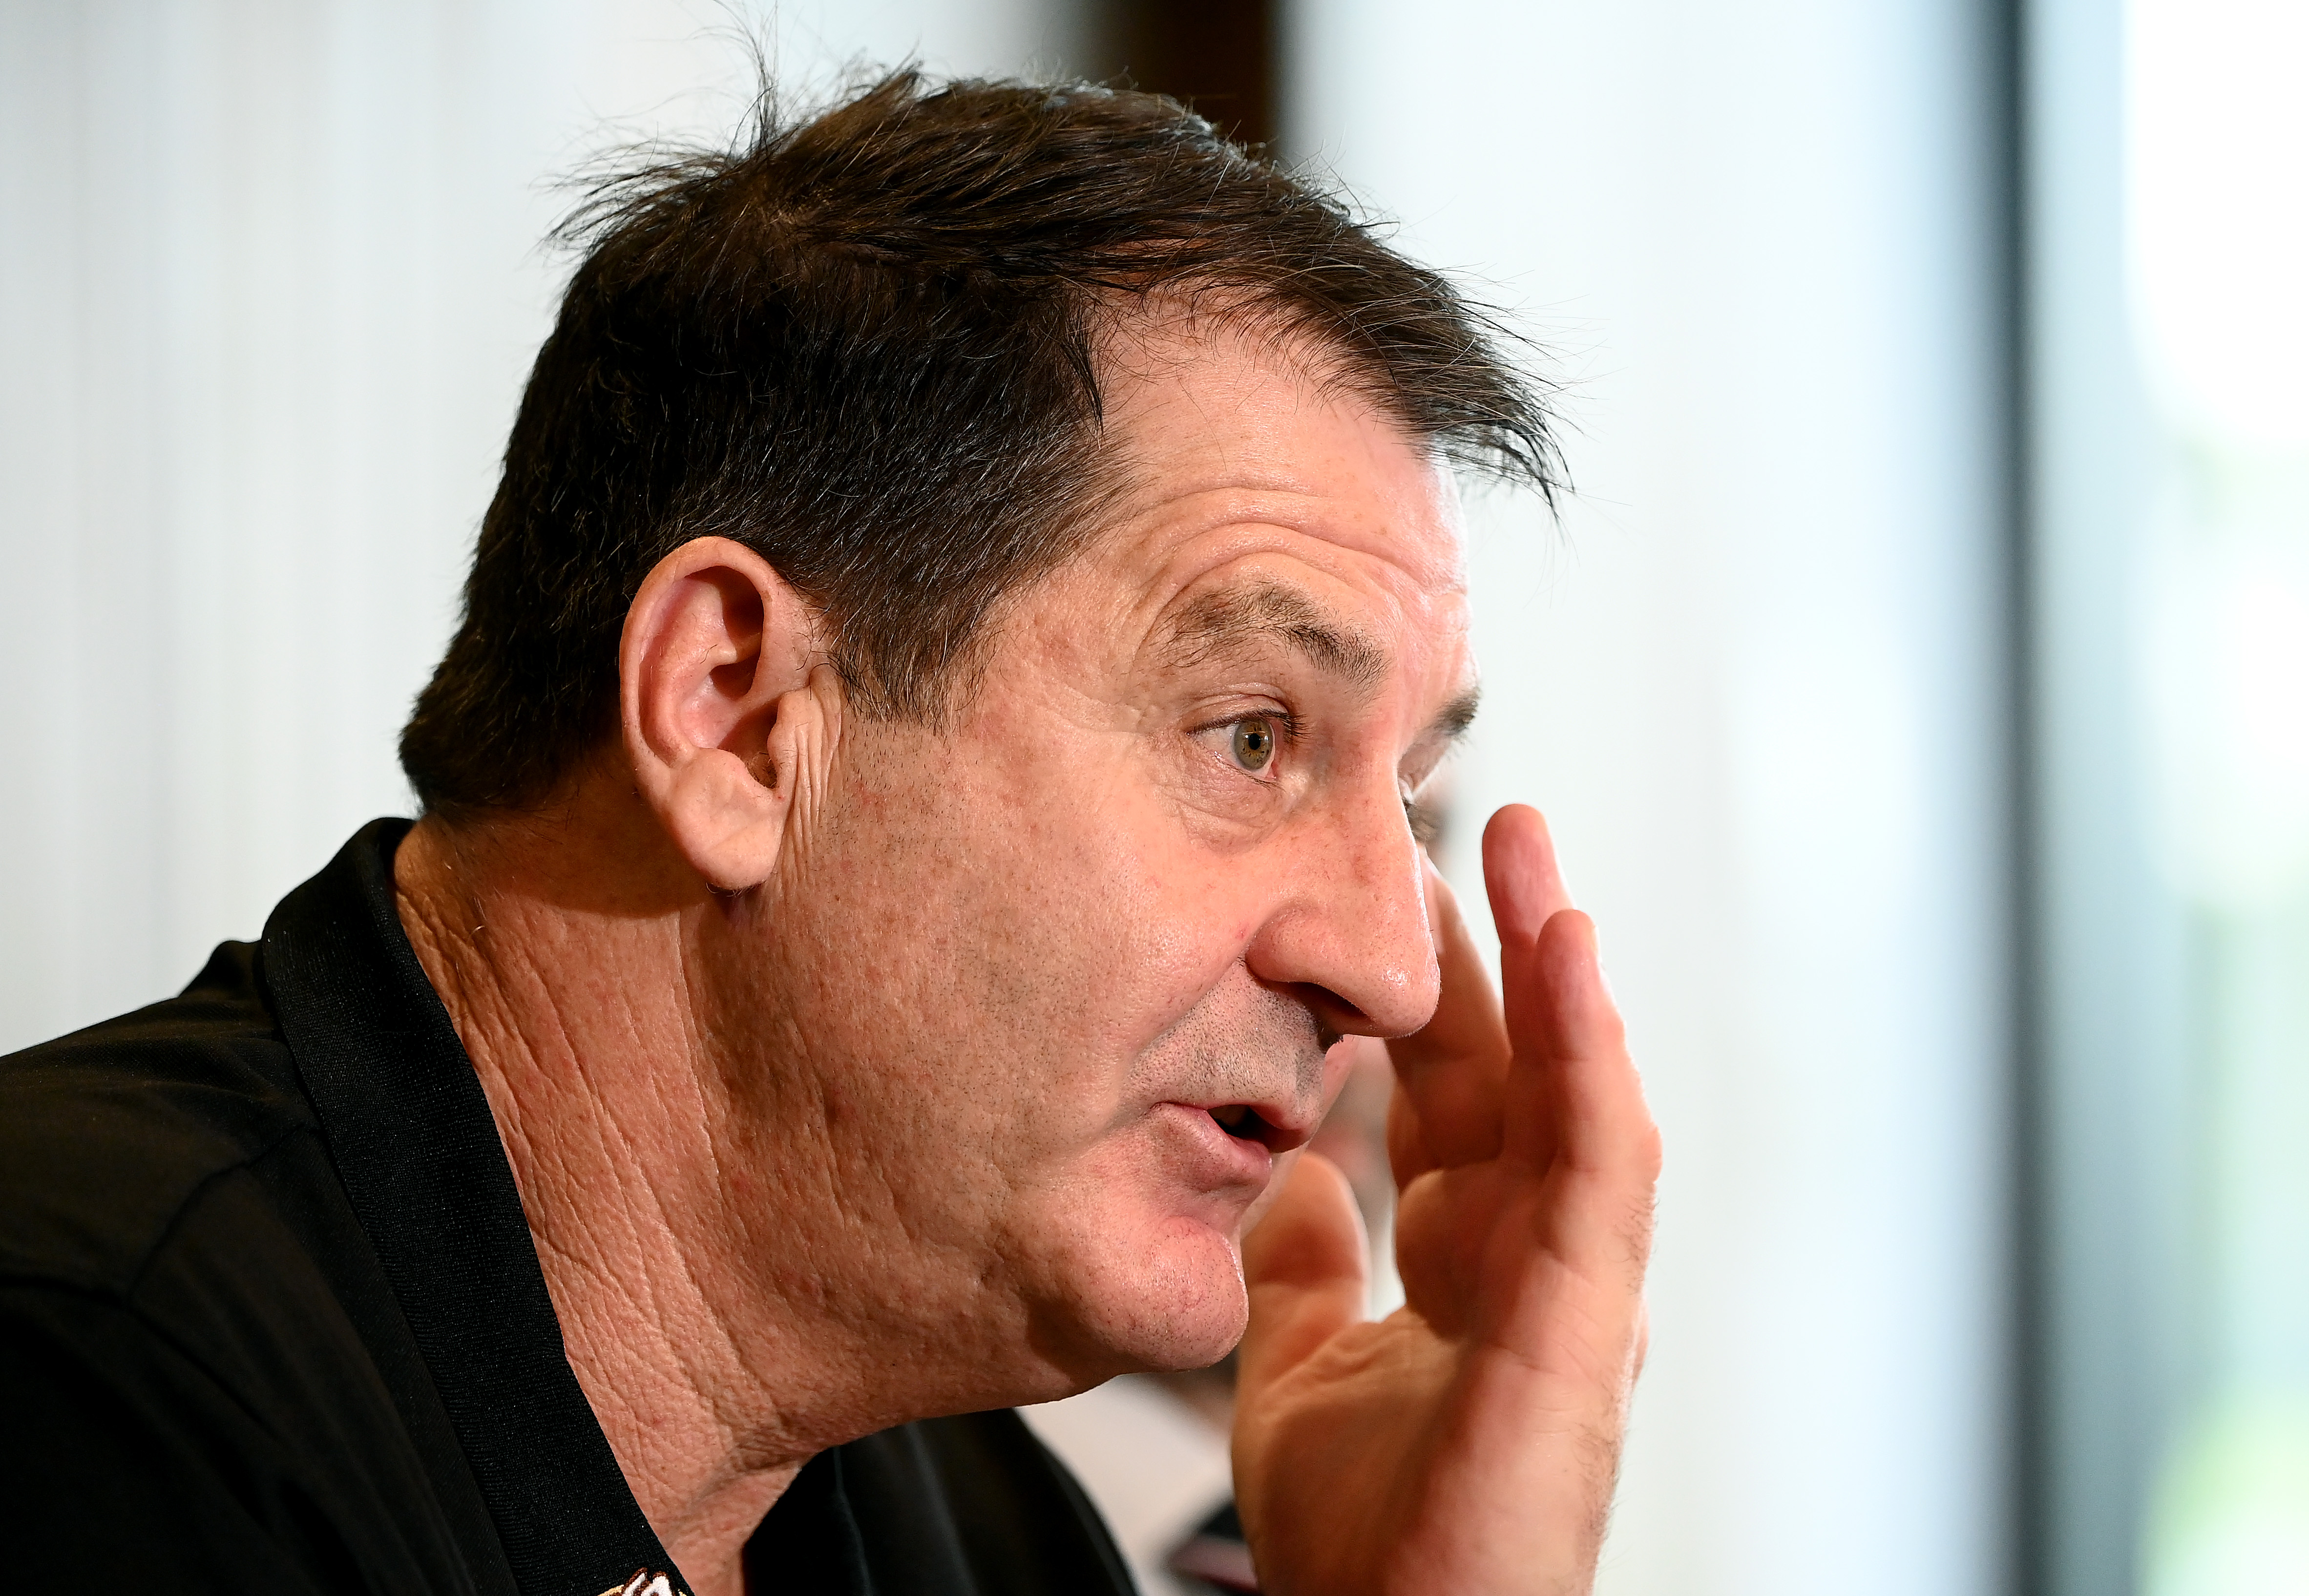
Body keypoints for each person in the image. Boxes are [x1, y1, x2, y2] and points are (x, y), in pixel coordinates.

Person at [0, 71, 1659, 1596]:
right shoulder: (88, 1393)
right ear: (736, 715)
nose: (1393, 971)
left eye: (1409, 799)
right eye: (1251, 736)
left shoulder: (988, 1533)